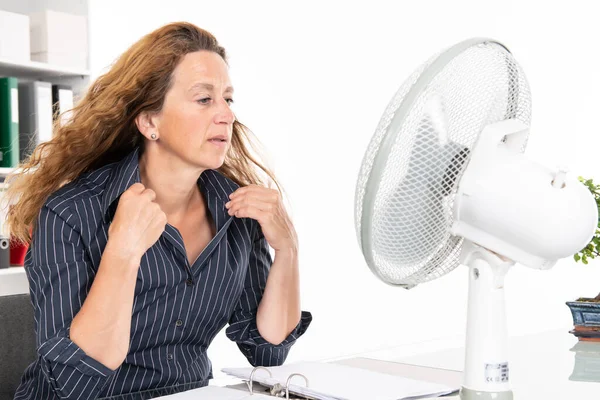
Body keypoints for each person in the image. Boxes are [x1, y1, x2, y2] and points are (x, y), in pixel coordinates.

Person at [8, 22, 312, 400]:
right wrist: (123, 251)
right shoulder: (71, 212)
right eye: (204, 99)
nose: (226, 115)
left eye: (228, 99)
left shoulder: (238, 210)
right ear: (150, 121)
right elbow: (76, 383)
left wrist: (288, 249)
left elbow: (267, 351)